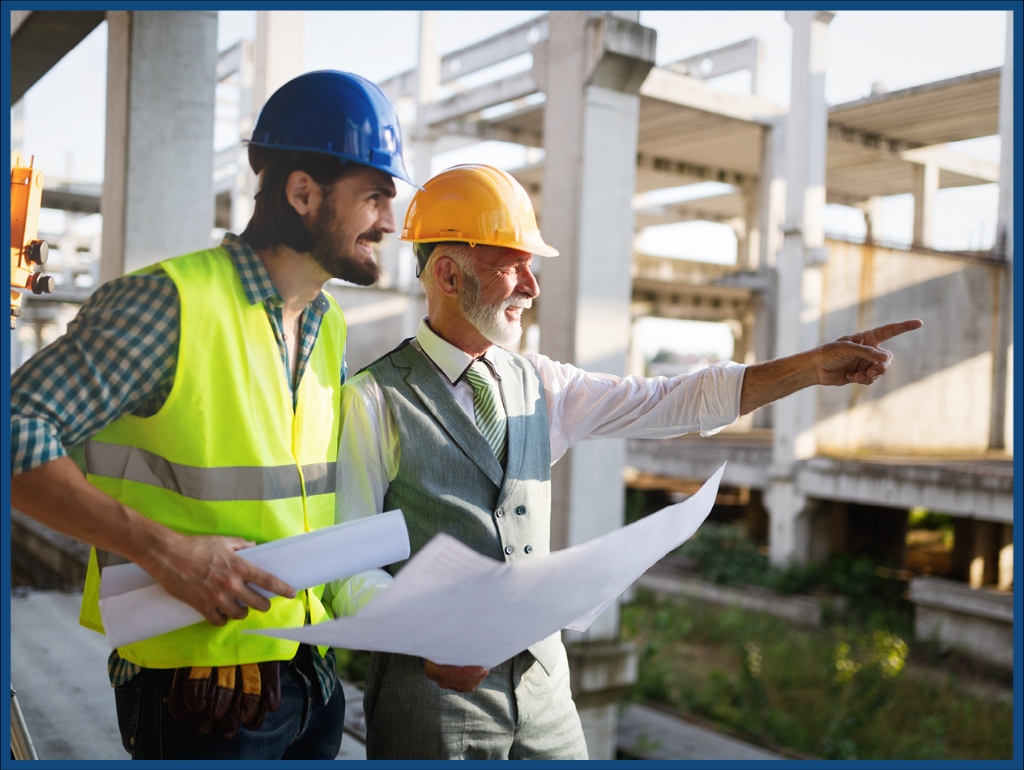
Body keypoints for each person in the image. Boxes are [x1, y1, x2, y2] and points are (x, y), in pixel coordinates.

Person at [328, 163, 924, 760]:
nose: (533, 287)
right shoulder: (373, 399)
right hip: (430, 701)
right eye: (513, 266)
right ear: (449, 276)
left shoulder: (541, 382)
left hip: (544, 690)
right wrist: (426, 631)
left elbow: (671, 399)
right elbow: (349, 572)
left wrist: (806, 370)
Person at [9, 70, 416, 760]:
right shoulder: (167, 303)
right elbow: (14, 432)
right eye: (375, 195)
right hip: (199, 694)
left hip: (307, 674)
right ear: (303, 192)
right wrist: (163, 551)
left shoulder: (328, 325)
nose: (389, 220)